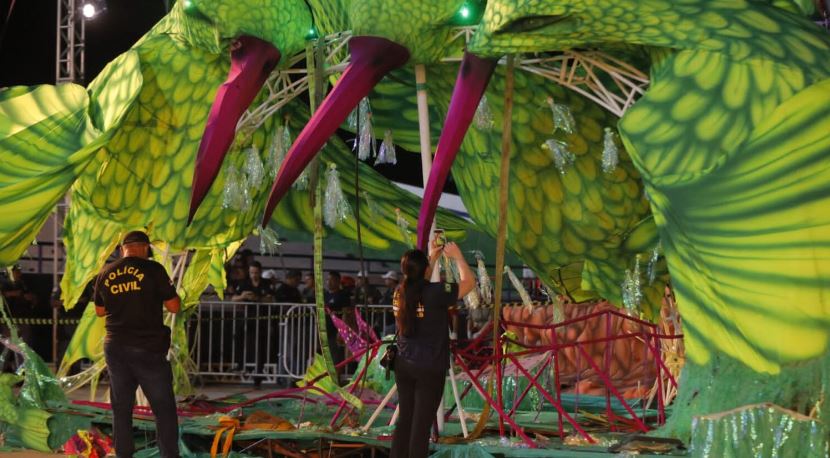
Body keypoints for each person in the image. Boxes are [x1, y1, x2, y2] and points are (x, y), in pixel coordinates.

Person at [94, 231, 181, 458]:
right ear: (144, 247)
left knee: (121, 408)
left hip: (115, 347)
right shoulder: (153, 270)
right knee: (163, 409)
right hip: (147, 348)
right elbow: (173, 307)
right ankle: (169, 455)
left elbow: (100, 311)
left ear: (123, 248)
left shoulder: (106, 272)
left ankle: (123, 454)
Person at [391, 241, 475, 458]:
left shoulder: (399, 292)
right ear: (425, 269)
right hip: (429, 365)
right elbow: (469, 283)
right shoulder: (437, 291)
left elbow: (419, 286)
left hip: (403, 362)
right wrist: (458, 257)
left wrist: (431, 259)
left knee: (406, 419)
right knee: (421, 425)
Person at [324, 271, 352, 377]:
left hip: (336, 330)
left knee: (336, 356)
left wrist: (341, 331)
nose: (328, 282)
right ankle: (326, 379)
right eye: (327, 279)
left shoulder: (343, 295)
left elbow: (346, 313)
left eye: (331, 280)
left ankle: (336, 379)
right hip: (324, 329)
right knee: (326, 356)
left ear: (337, 281)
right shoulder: (325, 295)